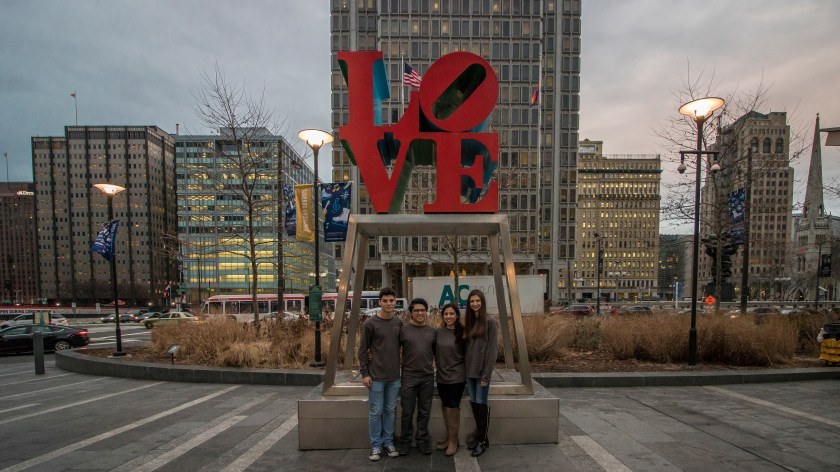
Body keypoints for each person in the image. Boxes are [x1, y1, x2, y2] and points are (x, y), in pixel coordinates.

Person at [358, 287, 402, 461]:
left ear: (395, 301)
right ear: (379, 302)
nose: (389, 304)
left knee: (390, 410)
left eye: (391, 300)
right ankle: (376, 445)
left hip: (394, 376)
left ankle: (388, 443)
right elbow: (363, 350)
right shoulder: (370, 324)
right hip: (376, 376)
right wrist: (364, 373)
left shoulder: (398, 323)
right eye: (385, 301)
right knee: (376, 411)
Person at [396, 298, 436, 456]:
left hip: (427, 377)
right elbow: (392, 348)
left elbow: (439, 352)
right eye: (416, 310)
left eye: (422, 310)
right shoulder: (403, 330)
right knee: (407, 411)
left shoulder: (432, 331)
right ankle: (405, 441)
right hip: (409, 376)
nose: (420, 313)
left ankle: (422, 440)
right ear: (411, 313)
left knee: (424, 411)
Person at [463, 289, 498, 457]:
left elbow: (492, 351)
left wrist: (486, 375)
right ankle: (479, 437)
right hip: (469, 372)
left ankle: (482, 441)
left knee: (481, 403)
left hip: (481, 372)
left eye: (477, 301)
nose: (474, 304)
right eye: (471, 301)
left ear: (482, 302)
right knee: (475, 404)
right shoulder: (470, 322)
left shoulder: (490, 321)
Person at [434, 302, 466, 456]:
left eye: (452, 314)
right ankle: (449, 438)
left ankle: (454, 441)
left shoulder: (463, 333)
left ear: (457, 315)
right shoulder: (438, 332)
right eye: (446, 314)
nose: (449, 316)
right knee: (445, 406)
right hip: (441, 375)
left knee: (453, 407)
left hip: (457, 376)